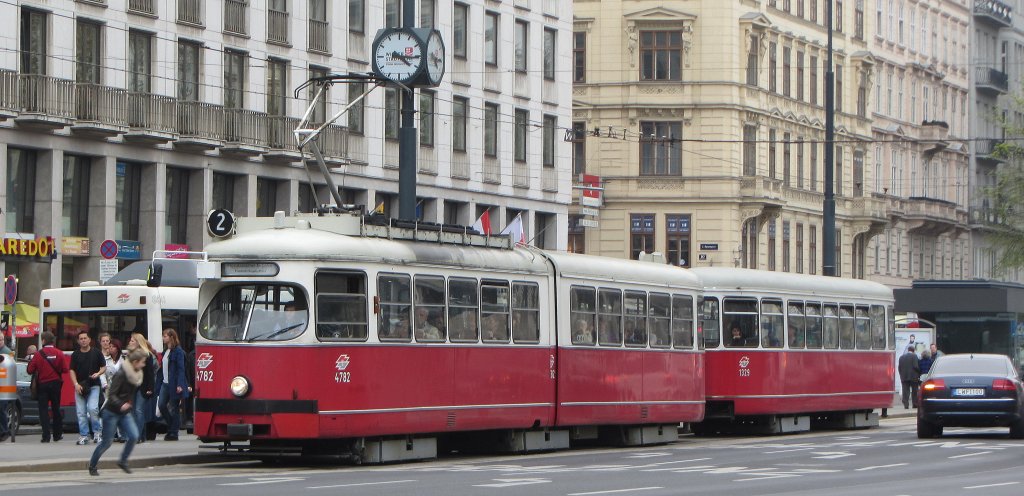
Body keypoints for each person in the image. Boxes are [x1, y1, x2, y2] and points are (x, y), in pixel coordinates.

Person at [87, 348, 147, 476]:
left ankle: (123, 461)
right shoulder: (122, 374)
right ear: (135, 362)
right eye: (142, 362)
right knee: (107, 442)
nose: (144, 365)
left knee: (134, 435)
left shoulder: (136, 374)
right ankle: (92, 465)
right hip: (112, 411)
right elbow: (112, 394)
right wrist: (122, 404)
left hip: (124, 411)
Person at [28, 331, 68, 443]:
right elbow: (65, 369)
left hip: (43, 385)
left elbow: (30, 370)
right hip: (56, 385)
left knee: (43, 410)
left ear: (44, 341)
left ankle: (46, 436)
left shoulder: (38, 354)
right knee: (56, 409)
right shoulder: (59, 353)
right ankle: (57, 434)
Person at [70, 331, 106, 445]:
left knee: (92, 409)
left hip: (94, 385)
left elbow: (104, 367)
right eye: (81, 339)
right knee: (81, 412)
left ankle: (97, 433)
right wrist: (75, 384)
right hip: (80, 386)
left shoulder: (96, 352)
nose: (83, 340)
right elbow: (71, 370)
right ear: (78, 341)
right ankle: (84, 435)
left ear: (89, 340)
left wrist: (98, 373)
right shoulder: (75, 354)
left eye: (85, 338)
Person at [158, 328, 189, 441]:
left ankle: (173, 432)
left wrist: (180, 384)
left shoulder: (178, 351)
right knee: (161, 405)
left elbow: (181, 369)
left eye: (165, 336)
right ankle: (172, 425)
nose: (163, 338)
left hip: (174, 383)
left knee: (174, 408)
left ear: (171, 337)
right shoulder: (166, 351)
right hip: (165, 383)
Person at [126, 333, 157, 443]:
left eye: (132, 340)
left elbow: (149, 373)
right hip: (133, 386)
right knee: (134, 411)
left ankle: (137, 436)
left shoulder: (146, 355)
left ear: (138, 342)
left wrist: (150, 388)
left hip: (143, 386)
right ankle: (141, 435)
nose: (130, 342)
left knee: (139, 410)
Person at [898, 345, 921, 409]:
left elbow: (899, 368)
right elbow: (915, 366)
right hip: (913, 376)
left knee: (905, 391)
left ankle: (906, 404)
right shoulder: (914, 356)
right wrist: (919, 372)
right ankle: (915, 404)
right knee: (914, 391)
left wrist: (901, 375)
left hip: (904, 376)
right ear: (913, 351)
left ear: (908, 350)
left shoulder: (901, 357)